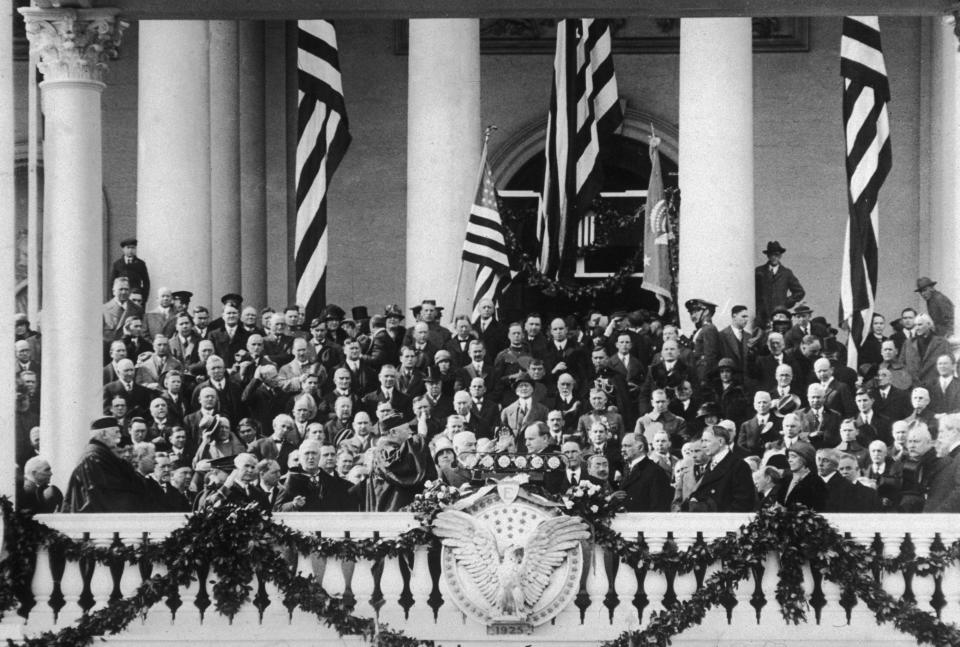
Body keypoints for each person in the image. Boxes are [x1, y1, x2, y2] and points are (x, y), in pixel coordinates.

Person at [64, 417, 147, 512]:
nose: (120, 436)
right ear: (104, 434)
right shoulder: (93, 458)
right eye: (116, 432)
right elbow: (105, 495)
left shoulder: (103, 454)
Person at [683, 425, 755, 512]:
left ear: (720, 441)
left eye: (706, 441)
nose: (703, 445)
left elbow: (743, 503)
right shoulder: (710, 465)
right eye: (702, 441)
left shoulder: (739, 466)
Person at [615, 433, 671, 512]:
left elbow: (659, 508)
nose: (622, 449)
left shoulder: (656, 472)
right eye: (622, 446)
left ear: (640, 447)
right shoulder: (627, 469)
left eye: (627, 446)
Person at [754, 240, 805, 325]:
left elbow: (800, 292)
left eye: (776, 255)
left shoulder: (786, 273)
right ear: (768, 256)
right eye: (771, 255)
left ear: (780, 256)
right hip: (762, 315)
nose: (774, 257)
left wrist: (786, 302)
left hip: (780, 315)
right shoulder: (759, 271)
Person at [924, 413, 960, 512]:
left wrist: (938, 515)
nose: (939, 437)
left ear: (954, 432)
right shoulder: (951, 456)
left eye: (941, 432)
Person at [777, 440, 826, 511]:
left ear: (805, 458)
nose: (789, 460)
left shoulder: (816, 483)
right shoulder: (785, 480)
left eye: (793, 456)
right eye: (789, 457)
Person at [686, 298, 721, 384]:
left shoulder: (709, 329)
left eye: (696, 311)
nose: (692, 315)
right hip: (696, 372)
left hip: (703, 376)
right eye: (691, 312)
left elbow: (710, 357)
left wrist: (704, 378)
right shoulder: (700, 330)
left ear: (706, 312)